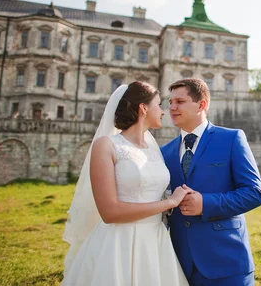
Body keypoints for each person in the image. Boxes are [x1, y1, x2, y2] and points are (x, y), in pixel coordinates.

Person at [61, 81, 189, 286]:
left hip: (156, 242)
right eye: (159, 104)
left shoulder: (154, 149)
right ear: (143, 108)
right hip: (119, 242)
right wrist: (169, 203)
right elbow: (109, 212)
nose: (164, 111)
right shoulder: (107, 145)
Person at [161, 78, 261, 286]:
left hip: (227, 260)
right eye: (170, 102)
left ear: (202, 104)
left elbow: (254, 193)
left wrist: (205, 203)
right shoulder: (164, 152)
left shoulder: (232, 139)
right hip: (179, 264)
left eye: (180, 101)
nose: (172, 107)